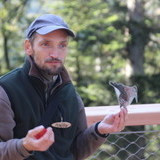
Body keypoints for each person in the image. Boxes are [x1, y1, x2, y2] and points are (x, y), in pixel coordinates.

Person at [0, 14, 128, 160]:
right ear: (28, 47)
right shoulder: (6, 91)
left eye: (62, 45)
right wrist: (24, 146)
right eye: (46, 44)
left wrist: (99, 130)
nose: (55, 54)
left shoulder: (70, 93)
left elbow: (75, 151)